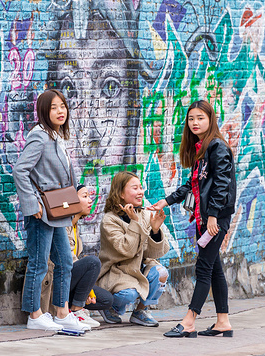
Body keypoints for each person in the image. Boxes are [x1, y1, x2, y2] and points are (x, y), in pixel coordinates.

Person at [149, 100, 237, 338]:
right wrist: (166, 201)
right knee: (215, 268)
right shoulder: (203, 149)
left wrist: (213, 216)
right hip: (204, 218)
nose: (195, 123)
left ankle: (189, 321)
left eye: (200, 118)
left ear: (210, 119)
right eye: (191, 119)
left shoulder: (217, 147)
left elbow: (222, 184)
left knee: (204, 267)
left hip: (213, 220)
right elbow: (194, 184)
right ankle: (223, 322)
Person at [12, 89, 90, 332]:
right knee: (39, 263)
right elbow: (20, 170)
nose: (60, 111)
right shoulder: (40, 137)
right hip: (41, 211)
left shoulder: (56, 136)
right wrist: (31, 202)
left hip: (57, 210)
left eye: (63, 106)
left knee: (65, 262)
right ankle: (35, 315)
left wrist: (78, 189)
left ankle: (61, 312)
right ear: (44, 111)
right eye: (54, 107)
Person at [97, 171, 170, 327]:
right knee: (128, 294)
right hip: (118, 272)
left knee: (161, 273)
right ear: (121, 194)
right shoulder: (110, 220)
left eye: (141, 187)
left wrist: (155, 231)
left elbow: (156, 252)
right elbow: (127, 250)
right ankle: (110, 306)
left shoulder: (144, 214)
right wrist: (135, 223)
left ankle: (140, 311)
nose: (140, 192)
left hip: (138, 269)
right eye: (135, 188)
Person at [40, 185, 115, 328]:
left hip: (69, 278)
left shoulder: (75, 227)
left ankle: (72, 308)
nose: (90, 201)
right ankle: (75, 311)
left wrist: (88, 289)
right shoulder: (61, 227)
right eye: (85, 196)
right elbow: (65, 260)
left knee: (106, 300)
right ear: (72, 200)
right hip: (57, 280)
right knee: (92, 262)